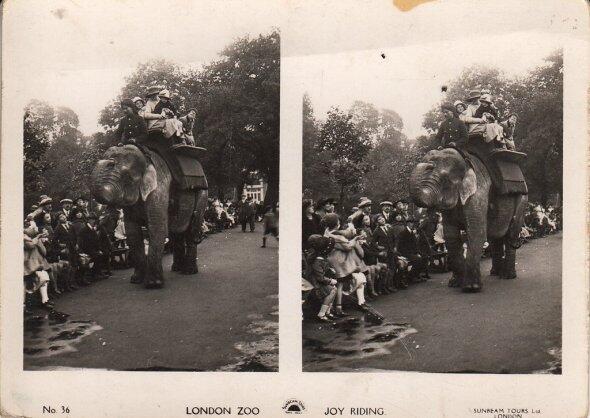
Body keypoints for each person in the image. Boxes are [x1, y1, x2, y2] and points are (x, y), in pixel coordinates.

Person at [305, 235, 338, 322]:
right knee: (332, 290)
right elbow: (320, 277)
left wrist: (330, 270)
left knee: (334, 289)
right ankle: (322, 314)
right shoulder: (318, 260)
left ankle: (327, 311)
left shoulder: (319, 257)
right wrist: (330, 280)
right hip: (315, 284)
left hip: (316, 281)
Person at [24, 221, 53, 310]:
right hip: (25, 265)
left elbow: (44, 252)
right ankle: (25, 304)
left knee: (44, 278)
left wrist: (39, 240)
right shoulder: (24, 237)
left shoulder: (34, 238)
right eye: (29, 226)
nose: (32, 228)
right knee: (25, 285)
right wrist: (37, 238)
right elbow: (30, 245)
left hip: (35, 264)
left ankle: (45, 300)